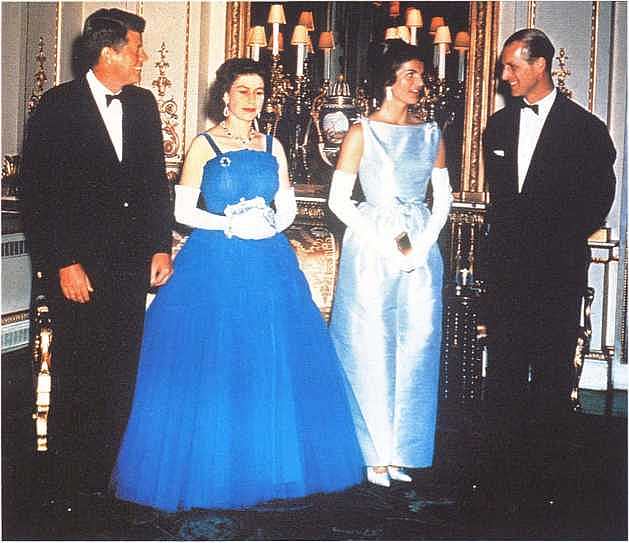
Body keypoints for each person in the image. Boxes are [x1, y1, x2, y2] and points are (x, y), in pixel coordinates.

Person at [109, 58, 364, 512]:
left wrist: (270, 223)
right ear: (225, 95)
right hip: (215, 262)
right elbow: (183, 210)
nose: (252, 99)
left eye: (259, 92)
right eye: (243, 90)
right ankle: (218, 467)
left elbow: (286, 205)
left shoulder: (273, 145)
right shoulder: (203, 145)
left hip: (268, 261)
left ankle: (267, 465)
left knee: (269, 359)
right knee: (218, 359)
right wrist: (229, 222)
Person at [21, 8, 173, 498]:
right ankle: (68, 490)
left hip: (130, 267)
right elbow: (37, 194)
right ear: (109, 52)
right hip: (78, 269)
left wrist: (160, 246)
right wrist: (62, 262)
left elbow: (155, 185)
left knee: (121, 375)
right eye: (137, 49)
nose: (142, 58)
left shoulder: (144, 104)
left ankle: (109, 483)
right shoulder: (57, 105)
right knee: (78, 375)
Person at [480, 28, 616, 510]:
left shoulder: (586, 130)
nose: (505, 75)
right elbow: (501, 205)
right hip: (507, 275)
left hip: (557, 274)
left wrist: (551, 241)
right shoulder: (497, 128)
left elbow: (598, 198)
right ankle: (499, 481)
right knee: (504, 373)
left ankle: (548, 484)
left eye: (513, 66)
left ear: (540, 66)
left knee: (553, 375)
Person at [328, 40, 453, 487]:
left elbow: (444, 199)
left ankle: (402, 450)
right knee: (369, 346)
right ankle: (372, 453)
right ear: (388, 79)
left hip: (420, 247)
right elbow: (339, 201)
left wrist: (421, 246)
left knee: (418, 343)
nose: (420, 83)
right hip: (371, 246)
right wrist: (385, 243)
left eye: (421, 75)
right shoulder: (361, 132)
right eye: (410, 74)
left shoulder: (431, 133)